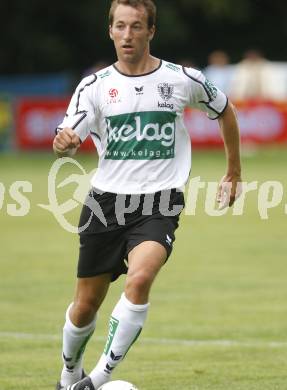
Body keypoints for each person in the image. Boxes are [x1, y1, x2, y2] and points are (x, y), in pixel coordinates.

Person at [52, 1, 242, 389]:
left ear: (151, 31)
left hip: (159, 203)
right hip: (105, 205)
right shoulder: (95, 86)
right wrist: (64, 142)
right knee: (85, 307)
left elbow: (224, 109)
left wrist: (233, 171)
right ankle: (69, 373)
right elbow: (67, 140)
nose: (127, 35)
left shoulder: (181, 79)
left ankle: (97, 378)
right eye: (120, 26)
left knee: (139, 280)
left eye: (136, 26)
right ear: (110, 31)